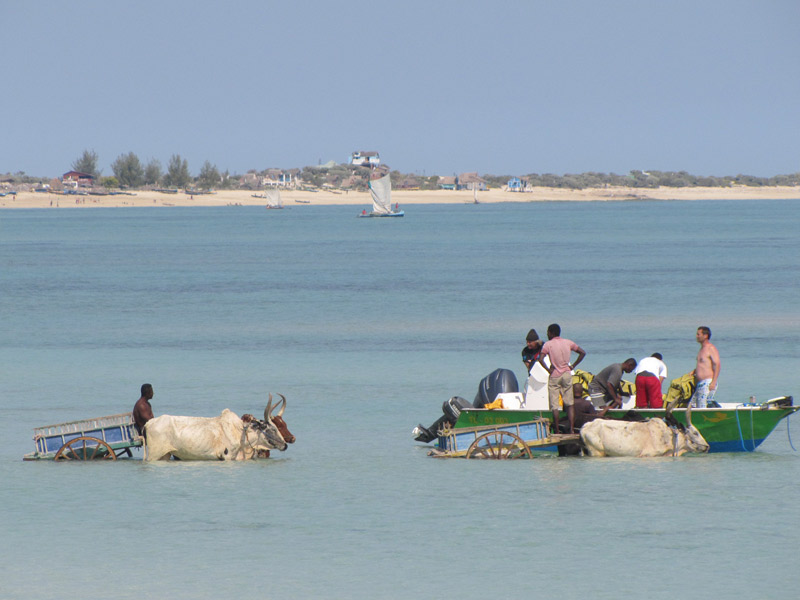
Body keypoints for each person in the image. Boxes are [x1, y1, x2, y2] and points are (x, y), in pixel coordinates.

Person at [536, 323, 586, 434]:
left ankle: (557, 430)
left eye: (548, 332)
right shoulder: (568, 343)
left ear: (551, 333)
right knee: (569, 403)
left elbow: (540, 359)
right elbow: (582, 353)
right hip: (567, 374)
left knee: (554, 405)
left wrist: (548, 370)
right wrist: (573, 366)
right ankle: (572, 429)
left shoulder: (548, 345)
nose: (547, 334)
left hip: (555, 375)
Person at [690, 326, 721, 407]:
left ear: (705, 335)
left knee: (702, 406)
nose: (696, 336)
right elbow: (703, 365)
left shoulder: (710, 348)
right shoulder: (702, 349)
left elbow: (717, 364)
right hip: (700, 383)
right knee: (692, 405)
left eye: (698, 334)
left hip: (707, 383)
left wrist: (714, 382)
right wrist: (694, 371)